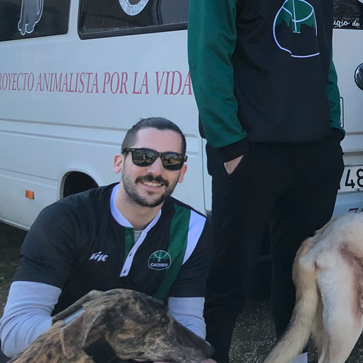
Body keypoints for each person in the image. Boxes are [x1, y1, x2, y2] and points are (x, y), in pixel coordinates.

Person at [187, 0, 345, 363]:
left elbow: (324, 64)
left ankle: (292, 354)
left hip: (312, 154)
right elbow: (209, 60)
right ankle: (214, 355)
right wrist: (229, 145)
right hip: (249, 152)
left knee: (298, 270)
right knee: (231, 271)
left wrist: (333, 133)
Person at [0, 117, 213, 361]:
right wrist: (94, 322)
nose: (156, 171)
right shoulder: (65, 219)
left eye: (171, 161)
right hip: (53, 354)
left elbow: (188, 323)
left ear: (182, 172)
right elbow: (13, 333)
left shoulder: (192, 229)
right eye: (143, 156)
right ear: (118, 162)